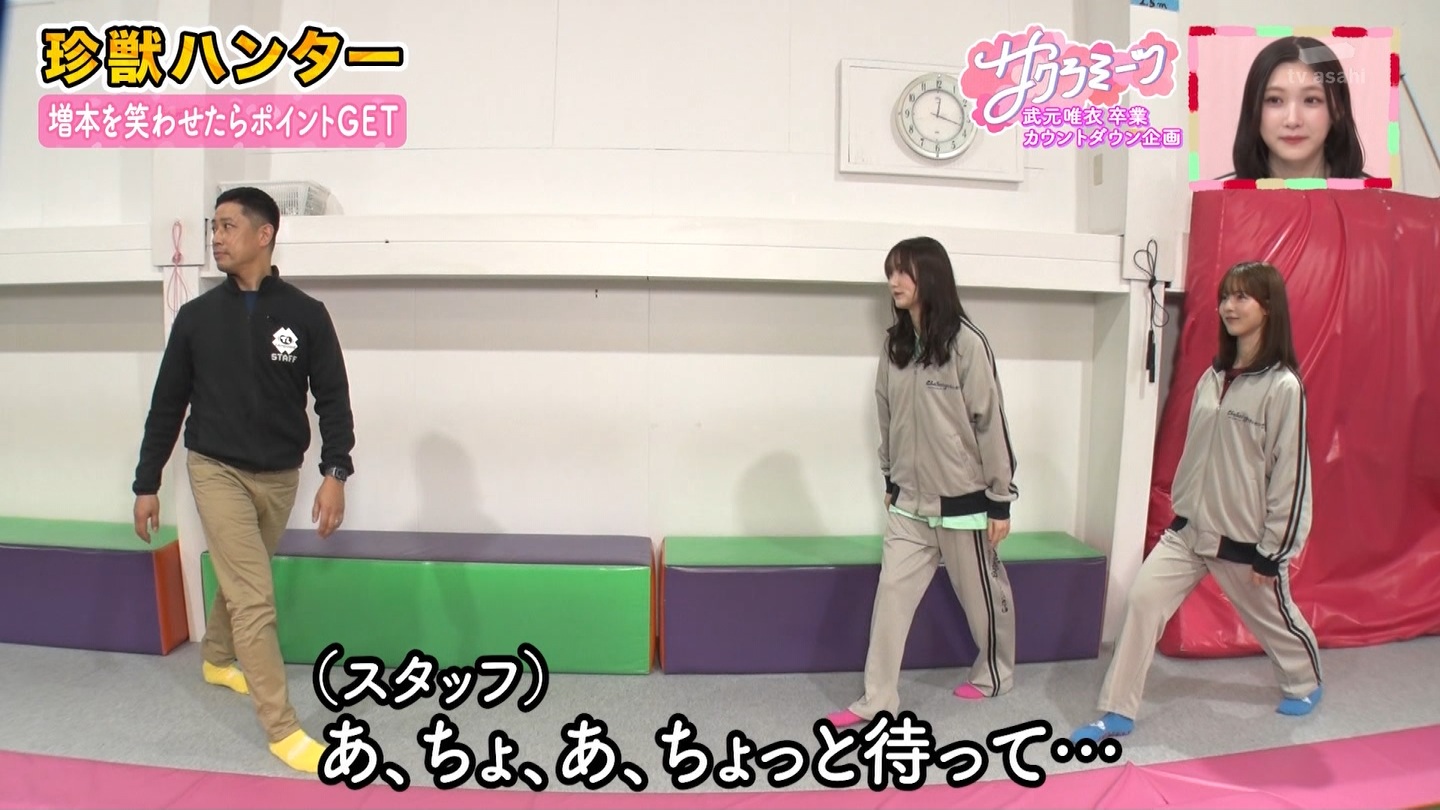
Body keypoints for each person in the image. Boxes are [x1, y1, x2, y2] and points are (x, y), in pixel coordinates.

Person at [130, 185, 356, 774]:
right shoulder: (197, 318)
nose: (216, 237)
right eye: (214, 227)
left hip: (281, 475)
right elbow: (167, 405)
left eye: (227, 226)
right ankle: (282, 729)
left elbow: (333, 399)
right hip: (216, 468)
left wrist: (335, 471)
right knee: (254, 594)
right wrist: (146, 482)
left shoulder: (306, 314)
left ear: (264, 234)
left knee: (242, 575)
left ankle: (216, 656)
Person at [1070, 260, 1322, 745]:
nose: (1228, 306)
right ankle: (1117, 710)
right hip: (1189, 531)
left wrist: (1273, 550)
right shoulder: (1214, 375)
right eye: (1225, 296)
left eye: (1241, 297)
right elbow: (1198, 454)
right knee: (1143, 601)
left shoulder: (1283, 387)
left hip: (1244, 538)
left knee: (1273, 620)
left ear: (1268, 307)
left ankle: (1304, 680)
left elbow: (1291, 476)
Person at [826, 236, 1019, 728]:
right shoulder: (895, 346)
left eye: (904, 272)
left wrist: (1000, 500)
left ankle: (995, 673)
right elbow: (885, 413)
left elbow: (990, 422)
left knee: (982, 599)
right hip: (908, 503)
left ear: (930, 276)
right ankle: (877, 699)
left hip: (963, 502)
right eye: (890, 272)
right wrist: (890, 477)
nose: (894, 282)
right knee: (890, 598)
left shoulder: (967, 344)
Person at [1225, 35, 1366, 180]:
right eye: (1274, 100)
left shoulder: (1373, 193)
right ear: (1253, 108)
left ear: (1338, 109)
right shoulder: (1217, 192)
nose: (1293, 121)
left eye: (1311, 100)